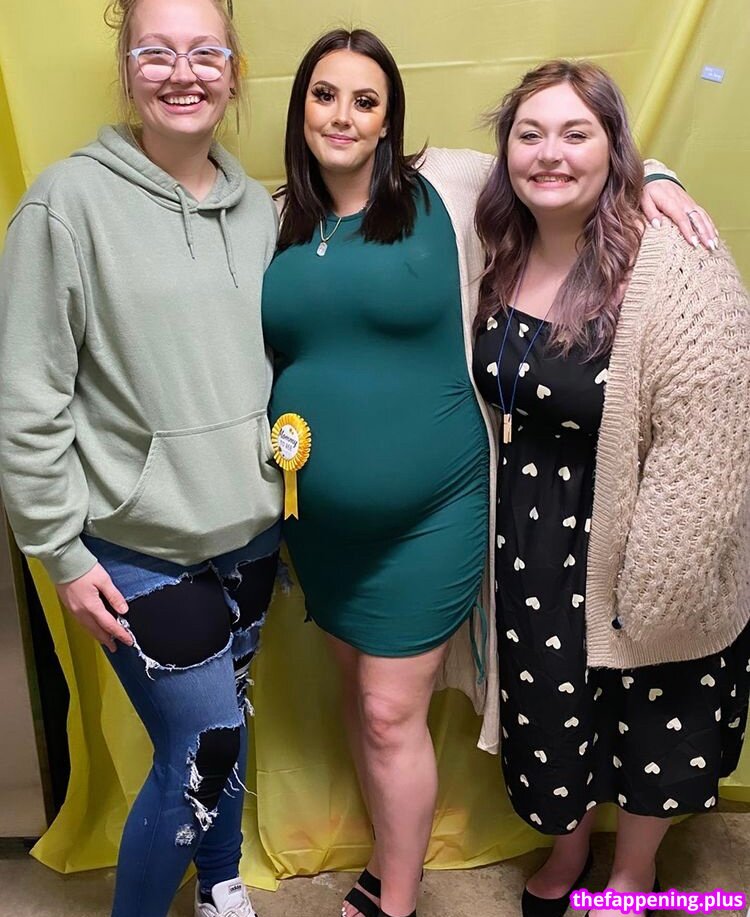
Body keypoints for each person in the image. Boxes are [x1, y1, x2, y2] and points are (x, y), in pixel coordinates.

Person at [261, 29, 714, 917]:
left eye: (365, 100)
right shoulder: (274, 216)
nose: (343, 116)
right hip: (318, 524)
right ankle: (386, 860)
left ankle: (397, 898)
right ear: (299, 107)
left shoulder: (450, 185)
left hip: (433, 514)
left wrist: (657, 178)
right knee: (360, 698)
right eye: (324, 95)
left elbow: (566, 161)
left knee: (390, 711)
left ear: (390, 118)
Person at [0, 1, 282, 915]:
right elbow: (27, 395)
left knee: (227, 728)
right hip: (139, 544)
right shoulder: (66, 203)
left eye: (205, 52)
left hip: (250, 533)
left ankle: (222, 884)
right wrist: (59, 550)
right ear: (126, 68)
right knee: (201, 745)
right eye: (156, 52)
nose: (182, 72)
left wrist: (652, 176)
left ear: (233, 70)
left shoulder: (256, 208)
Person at [472, 60, 750, 917]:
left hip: (643, 530)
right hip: (532, 536)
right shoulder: (499, 243)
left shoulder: (676, 261)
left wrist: (659, 577)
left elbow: (715, 441)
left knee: (651, 711)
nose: (549, 153)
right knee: (551, 708)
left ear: (615, 147)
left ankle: (632, 873)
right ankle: (569, 847)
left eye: (576, 133)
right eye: (530, 134)